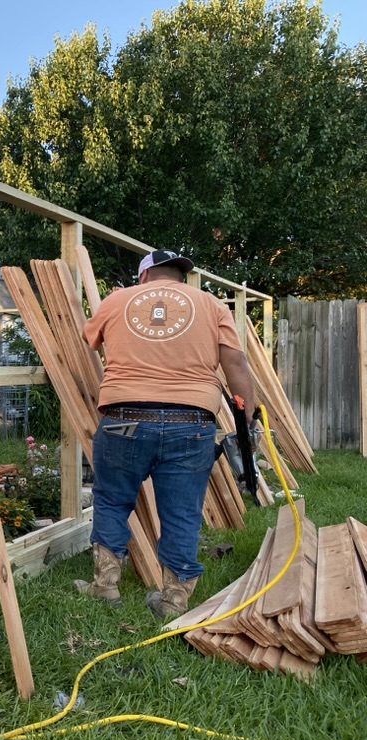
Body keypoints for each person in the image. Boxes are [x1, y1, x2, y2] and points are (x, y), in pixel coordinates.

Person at [74, 249, 256, 618]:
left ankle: (105, 585)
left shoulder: (118, 300)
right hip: (191, 423)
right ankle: (174, 600)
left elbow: (89, 339)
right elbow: (235, 362)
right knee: (182, 510)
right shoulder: (211, 305)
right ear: (180, 276)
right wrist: (247, 420)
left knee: (112, 500)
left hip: (125, 420)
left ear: (144, 276)